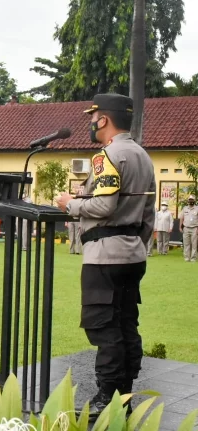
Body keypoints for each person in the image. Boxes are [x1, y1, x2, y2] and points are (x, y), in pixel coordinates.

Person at [56, 93, 156, 417]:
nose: (90, 122)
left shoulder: (108, 156)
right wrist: (134, 242)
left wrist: (69, 204)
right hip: (132, 255)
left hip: (104, 256)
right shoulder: (143, 156)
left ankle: (106, 397)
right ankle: (125, 393)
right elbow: (149, 213)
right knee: (127, 323)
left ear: (104, 120)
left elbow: (103, 206)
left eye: (93, 116)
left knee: (104, 326)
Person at [179, 195, 197, 262]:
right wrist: (180, 227)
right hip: (186, 228)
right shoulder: (185, 208)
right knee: (186, 244)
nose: (191, 201)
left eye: (192, 199)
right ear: (188, 200)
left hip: (195, 228)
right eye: (190, 199)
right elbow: (181, 218)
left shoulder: (197, 208)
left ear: (194, 200)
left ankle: (193, 258)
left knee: (194, 244)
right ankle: (187, 258)